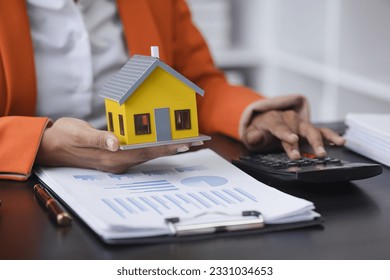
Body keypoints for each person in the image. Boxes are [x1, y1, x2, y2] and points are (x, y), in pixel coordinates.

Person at [0, 0, 344, 181]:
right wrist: (41, 143)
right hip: (25, 187)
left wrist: (251, 114)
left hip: (149, 175)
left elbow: (194, 80)